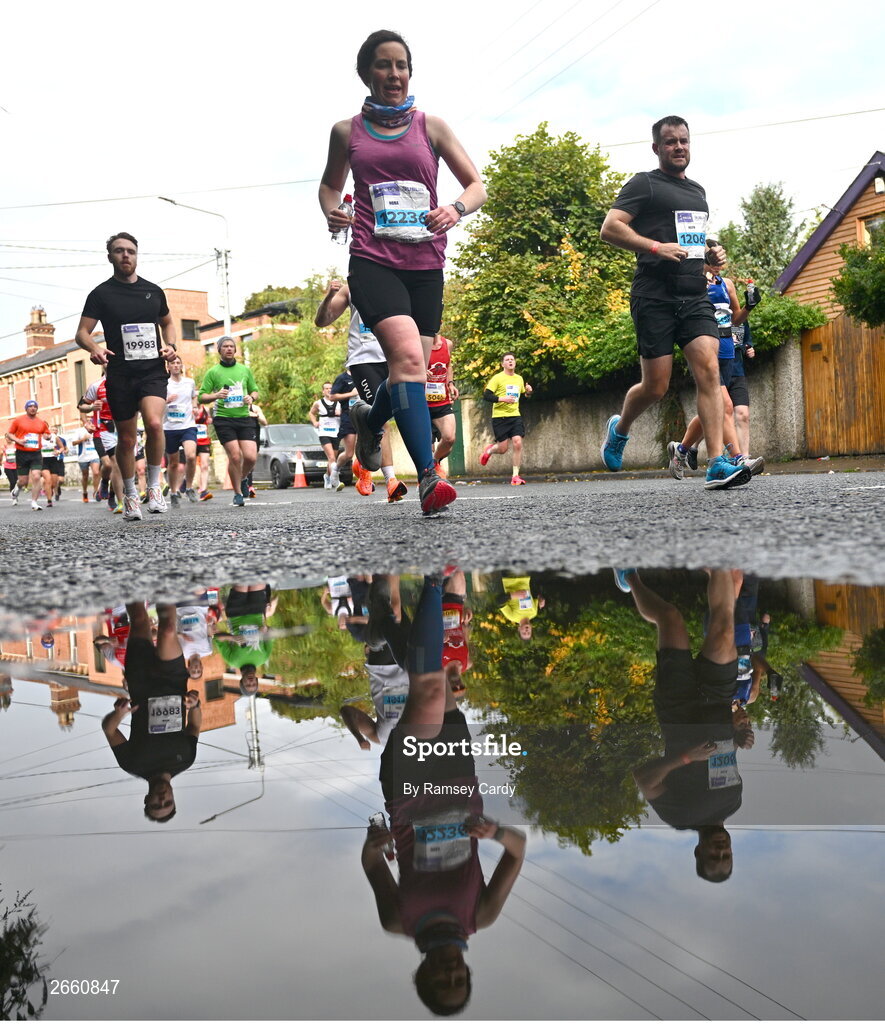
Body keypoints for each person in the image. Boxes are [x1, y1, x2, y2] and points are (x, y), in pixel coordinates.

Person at [320, 29, 486, 515]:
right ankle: (430, 480)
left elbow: (477, 185)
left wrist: (455, 209)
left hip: (426, 261)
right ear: (365, 73)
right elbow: (330, 187)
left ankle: (370, 421)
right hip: (372, 260)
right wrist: (333, 210)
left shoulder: (430, 126)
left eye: (401, 66)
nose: (394, 75)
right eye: (383, 65)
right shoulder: (346, 132)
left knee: (412, 364)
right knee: (410, 359)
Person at [361, 573, 525, 1015]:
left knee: (430, 684)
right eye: (460, 980)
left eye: (442, 981)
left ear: (423, 977)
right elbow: (518, 849)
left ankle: (433, 580)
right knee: (434, 678)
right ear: (468, 973)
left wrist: (375, 846)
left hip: (408, 792)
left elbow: (371, 863)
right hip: (457, 780)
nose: (451, 973)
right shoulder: (481, 916)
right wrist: (495, 834)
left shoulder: (398, 921)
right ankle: (386, 624)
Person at [599, 117, 750, 490]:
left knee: (710, 371)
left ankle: (717, 461)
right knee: (656, 386)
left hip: (694, 294)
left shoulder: (698, 192)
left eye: (683, 141)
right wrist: (654, 247)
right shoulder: (644, 184)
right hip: (653, 295)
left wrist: (711, 252)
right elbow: (610, 228)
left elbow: (689, 240)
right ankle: (620, 428)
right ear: (657, 148)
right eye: (670, 142)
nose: (679, 147)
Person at [620, 568, 755, 881]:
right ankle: (717, 559)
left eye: (714, 856)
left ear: (699, 852)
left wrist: (684, 758)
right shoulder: (733, 802)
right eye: (726, 855)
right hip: (717, 700)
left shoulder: (679, 816)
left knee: (670, 618)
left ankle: (629, 578)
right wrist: (740, 733)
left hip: (678, 707)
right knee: (723, 631)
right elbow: (724, 751)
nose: (721, 850)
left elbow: (643, 779)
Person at [74, 232, 179, 521]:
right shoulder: (101, 294)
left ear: (136, 255)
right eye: (119, 251)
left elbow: (168, 321)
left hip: (151, 370)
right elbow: (81, 333)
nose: (125, 256)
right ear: (110, 256)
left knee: (155, 423)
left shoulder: (153, 291)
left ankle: (155, 488)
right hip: (120, 372)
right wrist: (95, 348)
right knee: (127, 438)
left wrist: (171, 346)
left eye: (130, 251)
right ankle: (131, 495)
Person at [101, 601, 202, 822]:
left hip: (141, 681)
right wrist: (195, 705)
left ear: (147, 799)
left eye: (157, 804)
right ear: (174, 799)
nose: (162, 798)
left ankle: (134, 576)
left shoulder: (132, 764)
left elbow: (109, 730)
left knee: (138, 619)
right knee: (166, 630)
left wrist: (119, 714)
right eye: (168, 803)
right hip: (172, 682)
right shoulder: (185, 759)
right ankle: (165, 578)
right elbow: (194, 726)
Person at [667, 256, 762, 479]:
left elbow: (737, 319)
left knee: (714, 406)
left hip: (728, 348)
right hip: (705, 346)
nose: (719, 263)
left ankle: (681, 450)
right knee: (724, 404)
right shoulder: (692, 282)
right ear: (701, 258)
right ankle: (738, 458)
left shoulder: (726, 284)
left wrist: (749, 306)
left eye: (721, 258)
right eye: (714, 258)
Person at [315, 279, 407, 501]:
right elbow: (321, 321)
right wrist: (329, 295)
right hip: (364, 360)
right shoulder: (351, 288)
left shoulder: (396, 284)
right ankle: (390, 480)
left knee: (399, 417)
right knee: (382, 419)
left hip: (393, 356)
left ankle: (363, 462)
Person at [198, 336, 259, 507]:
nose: (229, 349)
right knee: (234, 456)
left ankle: (243, 478)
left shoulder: (244, 370)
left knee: (250, 457)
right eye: (225, 346)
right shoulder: (213, 372)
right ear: (219, 350)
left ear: (235, 350)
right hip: (223, 418)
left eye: (232, 346)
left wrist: (250, 398)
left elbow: (255, 391)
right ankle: (238, 493)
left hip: (243, 417)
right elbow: (202, 396)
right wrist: (216, 395)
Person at [479, 354, 532, 485]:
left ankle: (515, 476)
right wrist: (502, 399)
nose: (510, 361)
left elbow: (522, 395)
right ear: (502, 364)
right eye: (507, 360)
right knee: (502, 449)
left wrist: (528, 392)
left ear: (515, 363)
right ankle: (489, 450)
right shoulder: (497, 378)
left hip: (515, 415)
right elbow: (486, 395)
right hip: (500, 417)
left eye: (512, 359)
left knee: (518, 442)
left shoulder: (519, 378)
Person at [79, 369, 125, 513]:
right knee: (108, 464)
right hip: (101, 430)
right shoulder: (97, 386)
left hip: (119, 429)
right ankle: (104, 482)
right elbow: (81, 406)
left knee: (117, 465)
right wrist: (87, 422)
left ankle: (115, 498)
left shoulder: (125, 383)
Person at [163, 355, 199, 506]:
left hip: (187, 425)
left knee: (191, 456)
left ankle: (189, 487)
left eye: (178, 363)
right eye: (173, 363)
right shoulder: (164, 384)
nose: (176, 365)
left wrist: (195, 407)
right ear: (168, 367)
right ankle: (173, 492)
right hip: (170, 427)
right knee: (173, 463)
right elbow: (156, 403)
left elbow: (194, 397)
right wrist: (167, 400)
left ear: (181, 366)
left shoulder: (189, 382)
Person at [5, 399, 52, 511]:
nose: (33, 408)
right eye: (30, 406)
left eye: (35, 406)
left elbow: (47, 434)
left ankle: (34, 502)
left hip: (35, 453)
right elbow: (9, 433)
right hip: (22, 453)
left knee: (36, 476)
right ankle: (17, 488)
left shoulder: (41, 422)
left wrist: (47, 437)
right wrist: (18, 440)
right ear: (26, 408)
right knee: (23, 481)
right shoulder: (18, 421)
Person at [426, 333, 459, 477]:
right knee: (427, 445)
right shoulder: (418, 344)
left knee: (449, 438)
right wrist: (419, 372)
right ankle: (426, 478)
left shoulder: (448, 344)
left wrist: (450, 383)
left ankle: (434, 462)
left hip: (442, 399)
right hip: (422, 403)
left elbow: (448, 365)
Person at [309, 381, 342, 490]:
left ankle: (327, 476)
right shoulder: (318, 403)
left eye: (330, 388)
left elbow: (346, 414)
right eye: (326, 388)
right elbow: (311, 413)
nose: (329, 390)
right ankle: (335, 480)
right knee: (331, 457)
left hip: (336, 433)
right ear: (323, 391)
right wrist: (314, 422)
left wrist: (340, 413)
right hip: (324, 433)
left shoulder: (339, 403)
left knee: (333, 459)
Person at [68, 421, 101, 502]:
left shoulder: (96, 431)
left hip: (94, 455)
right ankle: (85, 492)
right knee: (85, 476)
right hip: (83, 457)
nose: (91, 424)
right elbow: (73, 443)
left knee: (96, 473)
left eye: (92, 423)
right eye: (89, 423)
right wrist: (83, 439)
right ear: (85, 424)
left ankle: (96, 492)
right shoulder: (79, 431)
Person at [194, 404, 214, 500]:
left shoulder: (205, 409)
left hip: (204, 441)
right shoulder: (188, 407)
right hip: (191, 441)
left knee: (205, 465)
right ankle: (184, 484)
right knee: (189, 465)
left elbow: (209, 420)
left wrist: (209, 420)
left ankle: (203, 490)